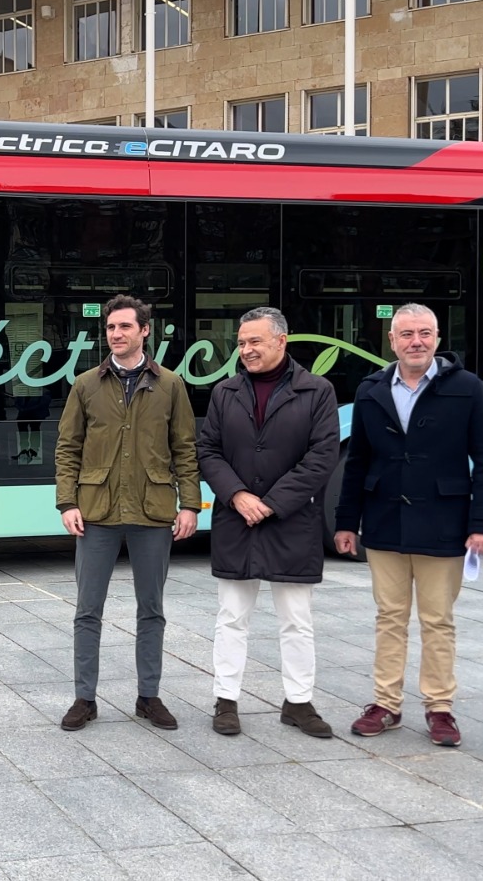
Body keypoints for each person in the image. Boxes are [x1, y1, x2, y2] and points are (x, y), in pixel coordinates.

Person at [333, 304, 483, 747]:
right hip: (385, 522)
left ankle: (439, 708)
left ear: (438, 337)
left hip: (444, 521)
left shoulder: (467, 388)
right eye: (406, 334)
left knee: (437, 620)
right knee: (389, 617)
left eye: (424, 333)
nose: (416, 342)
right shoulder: (370, 389)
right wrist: (346, 521)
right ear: (391, 341)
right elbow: (357, 463)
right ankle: (385, 703)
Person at [54, 294, 200, 732]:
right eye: (110, 329)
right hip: (96, 510)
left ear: (144, 331)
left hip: (152, 511)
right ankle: (84, 699)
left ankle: (148, 696)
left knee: (151, 609)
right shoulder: (85, 384)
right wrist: (68, 501)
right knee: (87, 610)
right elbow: (68, 447)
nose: (115, 335)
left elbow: (185, 449)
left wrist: (190, 503)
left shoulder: (171, 385)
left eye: (124, 327)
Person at [197, 306, 338, 738]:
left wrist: (273, 502)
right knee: (231, 616)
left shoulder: (317, 391)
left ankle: (298, 702)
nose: (246, 350)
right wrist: (238, 495)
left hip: (290, 522)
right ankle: (226, 701)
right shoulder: (225, 392)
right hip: (236, 519)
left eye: (255, 341)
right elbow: (208, 450)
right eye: (241, 343)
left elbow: (322, 456)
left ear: (282, 341)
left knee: (296, 619)